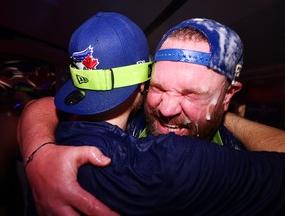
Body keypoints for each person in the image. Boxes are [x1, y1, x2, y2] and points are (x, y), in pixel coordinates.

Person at [17, 14, 285, 215]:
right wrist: (39, 152)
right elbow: (41, 106)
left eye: (190, 94)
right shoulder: (153, 148)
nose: (166, 110)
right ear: (142, 85)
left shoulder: (233, 149)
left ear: (228, 95)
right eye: (158, 87)